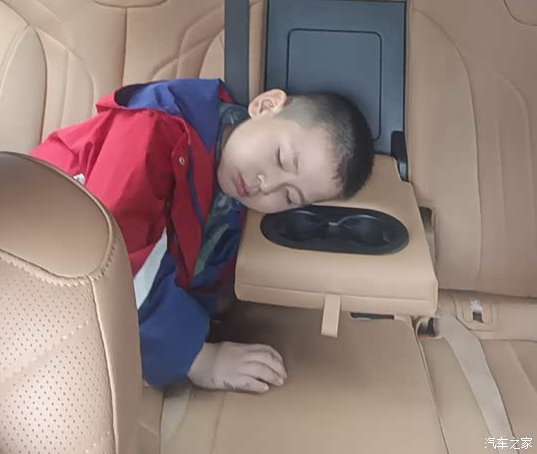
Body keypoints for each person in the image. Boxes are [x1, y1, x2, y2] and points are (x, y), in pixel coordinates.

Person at [31, 78, 373, 393]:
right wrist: (201, 358)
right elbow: (114, 256)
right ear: (265, 106)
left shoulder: (230, 205)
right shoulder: (154, 129)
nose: (266, 185)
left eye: (289, 197)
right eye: (281, 159)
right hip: (31, 257)